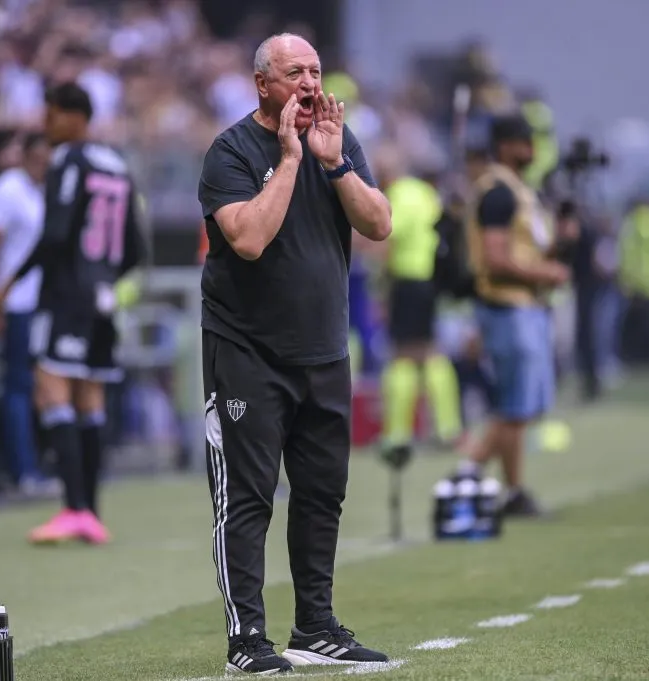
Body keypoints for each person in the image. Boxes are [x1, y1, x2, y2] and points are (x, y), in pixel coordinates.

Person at [197, 33, 392, 675]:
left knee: (321, 494)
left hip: (324, 351)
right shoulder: (230, 151)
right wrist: (289, 158)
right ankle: (246, 639)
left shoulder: (338, 138)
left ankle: (315, 626)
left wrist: (334, 164)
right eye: (294, 73)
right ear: (263, 84)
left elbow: (379, 223)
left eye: (315, 70)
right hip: (247, 352)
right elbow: (249, 239)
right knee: (247, 497)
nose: (310, 83)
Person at [0, 82, 147, 545]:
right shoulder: (118, 164)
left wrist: (10, 281)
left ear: (73, 116)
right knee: (90, 402)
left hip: (65, 297)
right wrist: (104, 279)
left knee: (52, 390)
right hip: (103, 299)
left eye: (52, 112)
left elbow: (57, 235)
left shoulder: (68, 160)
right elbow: (136, 247)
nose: (46, 122)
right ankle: (91, 514)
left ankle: (73, 507)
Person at [457, 113, 577, 517]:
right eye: (525, 142)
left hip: (526, 306)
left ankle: (492, 482)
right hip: (507, 307)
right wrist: (548, 272)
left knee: (524, 405)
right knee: (514, 405)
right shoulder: (498, 193)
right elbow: (495, 260)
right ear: (506, 145)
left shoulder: (518, 191)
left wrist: (559, 244)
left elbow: (530, 248)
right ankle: (485, 481)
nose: (533, 150)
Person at [0, 132, 56, 493]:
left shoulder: (43, 191)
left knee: (41, 385)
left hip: (40, 301)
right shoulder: (8, 190)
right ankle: (22, 469)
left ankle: (36, 463)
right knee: (19, 387)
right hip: (18, 302)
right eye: (38, 160)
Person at [375, 147, 462, 459]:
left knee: (404, 355)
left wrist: (381, 285)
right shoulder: (426, 192)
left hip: (408, 281)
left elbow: (386, 236)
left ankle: (397, 434)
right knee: (431, 352)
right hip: (431, 281)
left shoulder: (397, 195)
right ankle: (448, 427)